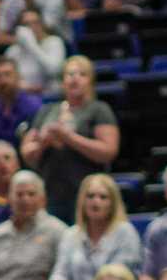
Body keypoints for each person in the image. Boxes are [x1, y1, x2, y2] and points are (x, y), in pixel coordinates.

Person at [20, 56, 120, 214]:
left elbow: (108, 152)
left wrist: (69, 138)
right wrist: (44, 142)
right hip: (50, 192)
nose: (75, 78)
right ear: (62, 81)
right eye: (70, 74)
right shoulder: (47, 110)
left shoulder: (99, 109)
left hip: (87, 194)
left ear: (91, 81)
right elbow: (27, 153)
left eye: (82, 74)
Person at [50, 172, 145, 280]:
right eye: (90, 196)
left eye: (103, 197)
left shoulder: (125, 232)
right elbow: (57, 277)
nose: (96, 201)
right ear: (82, 201)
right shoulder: (70, 234)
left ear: (113, 203)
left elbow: (116, 279)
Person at [0, 170, 65, 280]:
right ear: (9, 198)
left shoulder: (57, 231)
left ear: (43, 199)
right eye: (19, 194)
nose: (25, 199)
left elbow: (63, 277)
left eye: (31, 194)